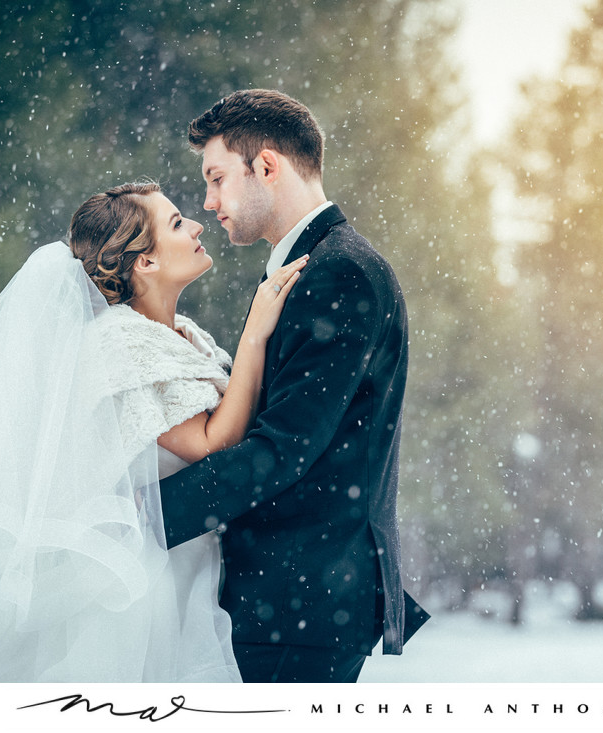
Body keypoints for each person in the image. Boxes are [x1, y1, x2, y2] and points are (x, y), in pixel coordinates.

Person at [0, 181, 307, 682]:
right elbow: (211, 442)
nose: (197, 224)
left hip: (191, 570)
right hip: (144, 594)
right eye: (177, 223)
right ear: (145, 264)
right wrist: (256, 332)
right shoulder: (120, 343)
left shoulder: (182, 334)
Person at [157, 89, 428, 683]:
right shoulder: (311, 267)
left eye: (218, 178)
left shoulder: (338, 272)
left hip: (300, 604)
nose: (209, 201)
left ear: (268, 167)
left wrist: (146, 518)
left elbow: (281, 450)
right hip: (293, 599)